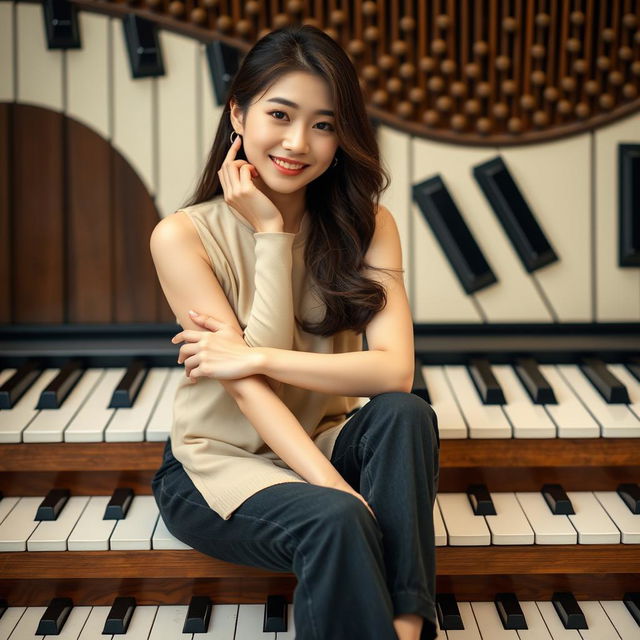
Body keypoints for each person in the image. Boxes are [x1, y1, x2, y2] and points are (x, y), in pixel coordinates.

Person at [149, 24, 440, 640]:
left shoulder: (369, 223)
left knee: (403, 414)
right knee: (336, 518)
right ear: (238, 112)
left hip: (321, 437)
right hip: (218, 468)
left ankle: (408, 625)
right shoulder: (181, 236)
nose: (297, 142)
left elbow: (393, 373)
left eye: (325, 124)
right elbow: (247, 391)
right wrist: (271, 235)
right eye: (279, 114)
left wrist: (252, 360)